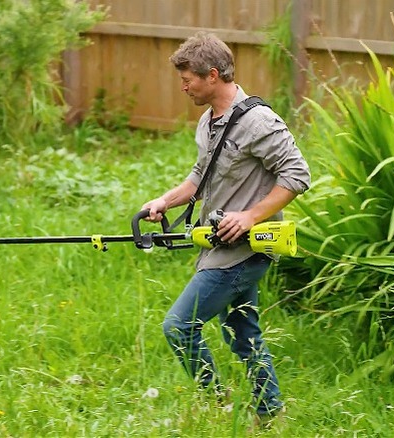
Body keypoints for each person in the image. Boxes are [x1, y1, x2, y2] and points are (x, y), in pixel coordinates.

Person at [141, 32, 311, 422]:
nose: (183, 86)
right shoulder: (209, 120)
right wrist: (165, 201)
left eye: (188, 79)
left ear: (213, 75)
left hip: (245, 249)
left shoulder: (258, 121)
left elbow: (298, 174)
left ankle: (218, 402)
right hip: (218, 244)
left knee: (179, 326)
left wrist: (250, 215)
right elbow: (201, 175)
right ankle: (271, 413)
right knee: (244, 333)